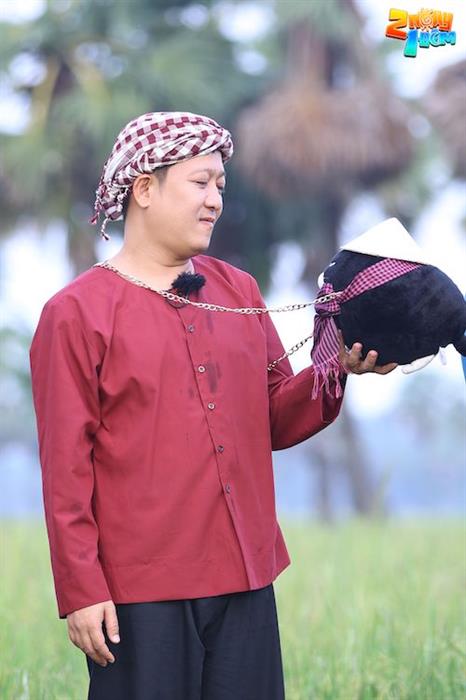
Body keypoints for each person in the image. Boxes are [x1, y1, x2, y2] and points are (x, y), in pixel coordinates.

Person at [29, 111, 397, 700]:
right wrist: (81, 589)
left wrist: (337, 369)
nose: (215, 200)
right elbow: (65, 469)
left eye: (221, 185)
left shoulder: (238, 290)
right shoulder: (75, 314)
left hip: (245, 577)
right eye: (200, 182)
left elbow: (275, 415)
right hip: (137, 593)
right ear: (144, 188)